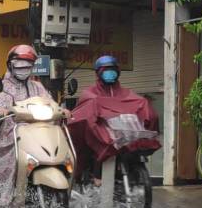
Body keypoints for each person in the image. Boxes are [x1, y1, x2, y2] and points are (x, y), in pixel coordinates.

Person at [68, 55, 160, 185]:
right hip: (100, 137)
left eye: (112, 70)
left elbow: (137, 102)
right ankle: (96, 176)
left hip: (123, 135)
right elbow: (85, 113)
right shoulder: (90, 94)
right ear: (98, 73)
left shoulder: (125, 93)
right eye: (105, 70)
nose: (109, 73)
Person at [0, 44, 53, 201]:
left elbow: (50, 103)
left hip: (38, 134)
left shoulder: (37, 86)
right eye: (19, 66)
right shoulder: (1, 88)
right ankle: (7, 198)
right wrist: (0, 112)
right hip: (9, 138)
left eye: (27, 66)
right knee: (18, 153)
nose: (23, 70)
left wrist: (61, 110)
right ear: (10, 65)